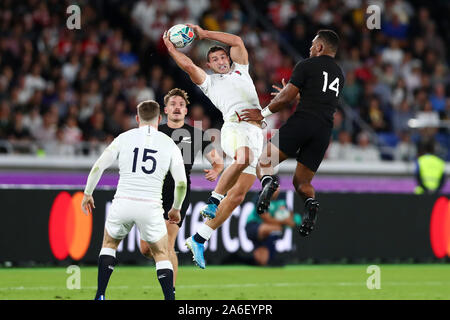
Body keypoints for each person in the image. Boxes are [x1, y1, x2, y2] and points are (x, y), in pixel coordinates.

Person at [162, 24, 264, 269]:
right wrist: (169, 48)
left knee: (238, 195)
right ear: (209, 65)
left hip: (257, 132)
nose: (220, 61)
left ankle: (199, 238)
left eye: (222, 57)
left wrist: (205, 33)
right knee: (243, 157)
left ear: (228, 59)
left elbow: (238, 41)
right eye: (214, 59)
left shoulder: (242, 70)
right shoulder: (209, 82)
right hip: (233, 127)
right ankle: (213, 199)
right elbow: (187, 65)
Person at [242, 29, 345, 237]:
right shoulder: (339, 75)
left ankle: (269, 182)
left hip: (302, 122)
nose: (310, 48)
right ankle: (310, 202)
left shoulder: (306, 65)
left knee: (265, 162)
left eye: (312, 44)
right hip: (324, 131)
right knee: (303, 183)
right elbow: (319, 100)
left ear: (320, 47)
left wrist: (263, 114)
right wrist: (298, 96)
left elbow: (285, 99)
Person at [81, 100, 187, 300]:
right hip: (151, 206)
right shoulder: (168, 143)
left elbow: (98, 167)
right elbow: (181, 183)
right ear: (160, 118)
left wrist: (88, 193)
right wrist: (176, 208)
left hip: (123, 201)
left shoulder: (124, 138)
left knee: (109, 244)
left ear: (137, 118)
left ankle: (101, 295)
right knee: (161, 252)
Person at [139, 88, 224, 296]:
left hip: (178, 192)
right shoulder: (154, 133)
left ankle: (171, 293)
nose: (177, 107)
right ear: (165, 110)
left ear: (186, 111)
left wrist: (215, 170)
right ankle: (166, 262)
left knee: (167, 243)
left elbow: (218, 161)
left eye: (181, 104)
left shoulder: (196, 134)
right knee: (145, 249)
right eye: (173, 104)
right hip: (153, 192)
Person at [245, 189, 301, 266]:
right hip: (253, 226)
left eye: (277, 188)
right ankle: (271, 256)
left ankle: (266, 255)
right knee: (275, 228)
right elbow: (265, 218)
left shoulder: (281, 197)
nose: (276, 191)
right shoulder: (261, 197)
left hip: (268, 228)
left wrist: (290, 220)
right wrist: (284, 222)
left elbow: (289, 212)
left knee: (262, 262)